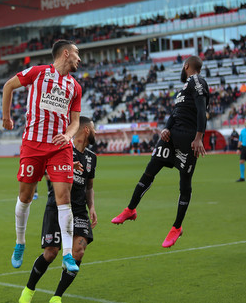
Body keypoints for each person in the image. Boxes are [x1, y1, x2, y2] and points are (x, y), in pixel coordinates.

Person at [111, 56, 209, 248]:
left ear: (186, 66)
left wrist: (198, 137)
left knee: (184, 184)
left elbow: (201, 110)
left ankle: (177, 227)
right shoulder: (184, 89)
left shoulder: (197, 81)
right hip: (170, 138)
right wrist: (165, 128)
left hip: (188, 141)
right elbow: (175, 114)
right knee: (150, 169)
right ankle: (130, 209)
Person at [2, 39, 82, 272]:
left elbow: (75, 121)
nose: (80, 59)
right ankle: (20, 242)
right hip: (33, 146)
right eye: (77, 54)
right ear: (65, 53)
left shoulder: (75, 86)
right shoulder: (38, 73)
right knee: (26, 196)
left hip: (59, 148)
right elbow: (8, 86)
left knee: (63, 197)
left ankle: (67, 254)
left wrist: (68, 136)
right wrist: (6, 116)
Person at [18, 117, 97, 303]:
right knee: (51, 253)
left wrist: (91, 206)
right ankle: (29, 290)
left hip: (79, 211)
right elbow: (46, 171)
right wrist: (69, 166)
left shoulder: (92, 158)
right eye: (94, 128)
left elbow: (89, 186)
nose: (96, 132)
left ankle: (57, 297)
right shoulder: (63, 149)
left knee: (79, 251)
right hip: (58, 206)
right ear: (86, 130)